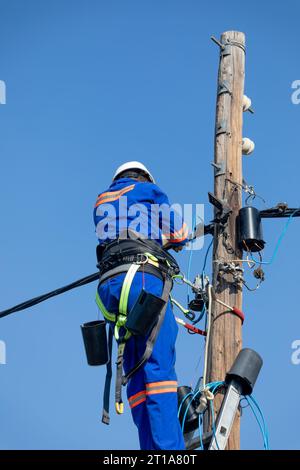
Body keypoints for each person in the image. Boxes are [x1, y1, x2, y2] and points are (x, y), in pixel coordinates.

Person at [93, 161, 189, 450]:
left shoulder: (100, 201)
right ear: (145, 176)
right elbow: (180, 233)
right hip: (143, 282)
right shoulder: (149, 190)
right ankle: (170, 451)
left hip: (110, 289)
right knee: (158, 367)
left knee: (133, 367)